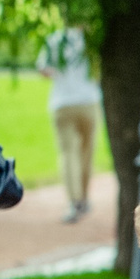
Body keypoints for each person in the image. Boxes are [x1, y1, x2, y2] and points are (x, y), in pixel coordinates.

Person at [37, 21, 104, 223]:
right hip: (89, 101)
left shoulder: (55, 40)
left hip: (62, 103)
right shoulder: (91, 42)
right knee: (86, 153)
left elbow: (43, 69)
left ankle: (74, 201)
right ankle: (83, 198)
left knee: (68, 154)